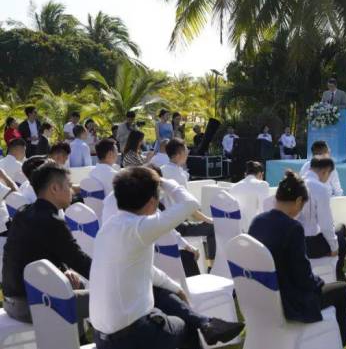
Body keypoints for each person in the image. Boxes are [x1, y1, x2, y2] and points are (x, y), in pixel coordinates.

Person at [89, 167, 244, 348]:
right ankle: (204, 325)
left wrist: (176, 288)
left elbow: (147, 270)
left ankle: (206, 324)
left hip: (103, 338)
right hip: (131, 337)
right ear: (152, 201)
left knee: (161, 292)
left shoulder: (109, 227)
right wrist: (163, 182)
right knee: (186, 327)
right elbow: (190, 203)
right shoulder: (139, 228)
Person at [248, 171, 346, 347]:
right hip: (290, 302)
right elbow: (303, 277)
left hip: (261, 298)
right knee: (343, 290)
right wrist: (319, 282)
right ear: (298, 201)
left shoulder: (257, 222)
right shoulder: (293, 228)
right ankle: (340, 343)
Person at [2, 163, 91, 326]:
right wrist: (112, 277)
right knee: (104, 299)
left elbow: (41, 253)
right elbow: (81, 262)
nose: (72, 191)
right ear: (55, 188)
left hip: (10, 300)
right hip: (33, 304)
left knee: (77, 284)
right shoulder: (52, 221)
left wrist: (65, 270)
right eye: (69, 185)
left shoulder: (23, 212)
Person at [160, 138, 216, 268]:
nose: (188, 152)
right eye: (186, 150)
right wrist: (208, 219)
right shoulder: (179, 175)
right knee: (212, 228)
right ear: (179, 153)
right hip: (177, 225)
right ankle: (211, 266)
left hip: (166, 221)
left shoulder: (162, 169)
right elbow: (188, 206)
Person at [299, 157, 346, 282]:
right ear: (325, 171)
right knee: (344, 242)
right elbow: (326, 224)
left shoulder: (297, 182)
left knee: (341, 228)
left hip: (296, 240)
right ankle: (338, 273)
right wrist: (334, 247)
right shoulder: (320, 188)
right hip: (310, 244)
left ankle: (338, 273)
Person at [229, 161, 270, 231]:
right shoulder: (262, 184)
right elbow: (264, 210)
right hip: (255, 230)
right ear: (260, 174)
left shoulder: (233, 187)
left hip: (236, 230)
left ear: (246, 174)